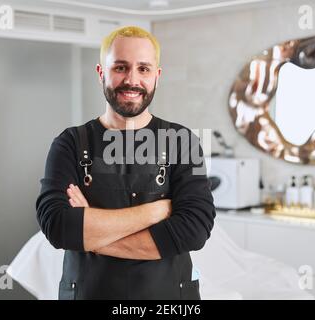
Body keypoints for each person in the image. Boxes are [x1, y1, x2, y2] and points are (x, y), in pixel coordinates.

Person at [36, 25, 215, 300]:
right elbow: (58, 226)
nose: (132, 80)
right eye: (120, 67)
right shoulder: (70, 143)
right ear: (101, 73)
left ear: (157, 76)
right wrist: (158, 211)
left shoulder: (182, 141)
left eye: (143, 69)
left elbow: (195, 230)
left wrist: (93, 236)